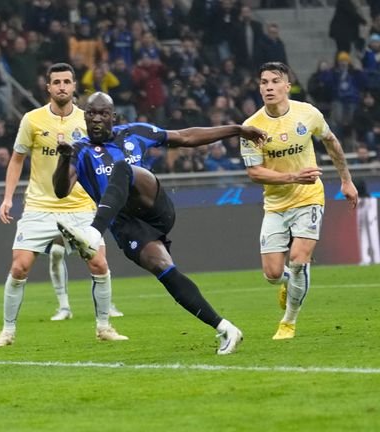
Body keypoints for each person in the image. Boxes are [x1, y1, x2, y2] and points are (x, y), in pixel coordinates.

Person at [53, 92, 266, 355]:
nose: (96, 119)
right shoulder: (79, 150)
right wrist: (63, 159)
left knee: (123, 169)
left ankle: (93, 234)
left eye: (103, 114)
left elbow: (186, 137)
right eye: (90, 114)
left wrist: (237, 129)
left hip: (153, 207)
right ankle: (226, 329)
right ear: (84, 116)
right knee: (165, 270)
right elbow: (61, 190)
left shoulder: (134, 133)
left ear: (113, 117)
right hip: (126, 226)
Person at [0, 63, 127, 349]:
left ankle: (104, 327)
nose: (62, 86)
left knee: (99, 263)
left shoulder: (89, 120)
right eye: (56, 82)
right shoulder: (32, 120)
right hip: (39, 206)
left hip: (81, 206)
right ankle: (7, 331)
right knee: (19, 267)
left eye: (67, 81)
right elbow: (17, 159)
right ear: (48, 87)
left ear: (74, 86)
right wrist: (7, 197)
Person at [240, 62, 358, 340]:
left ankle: (288, 322)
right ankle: (288, 283)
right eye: (263, 82)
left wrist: (346, 180)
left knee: (298, 259)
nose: (268, 87)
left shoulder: (308, 113)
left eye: (274, 81)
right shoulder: (251, 127)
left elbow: (331, 142)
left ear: (286, 85)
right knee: (272, 274)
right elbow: (255, 172)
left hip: (310, 197)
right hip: (276, 203)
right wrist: (293, 177)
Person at [355, 179, 380, 265]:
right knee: (368, 236)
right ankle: (372, 258)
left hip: (371, 222)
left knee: (368, 235)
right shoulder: (372, 199)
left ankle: (372, 258)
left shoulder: (365, 201)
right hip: (371, 222)